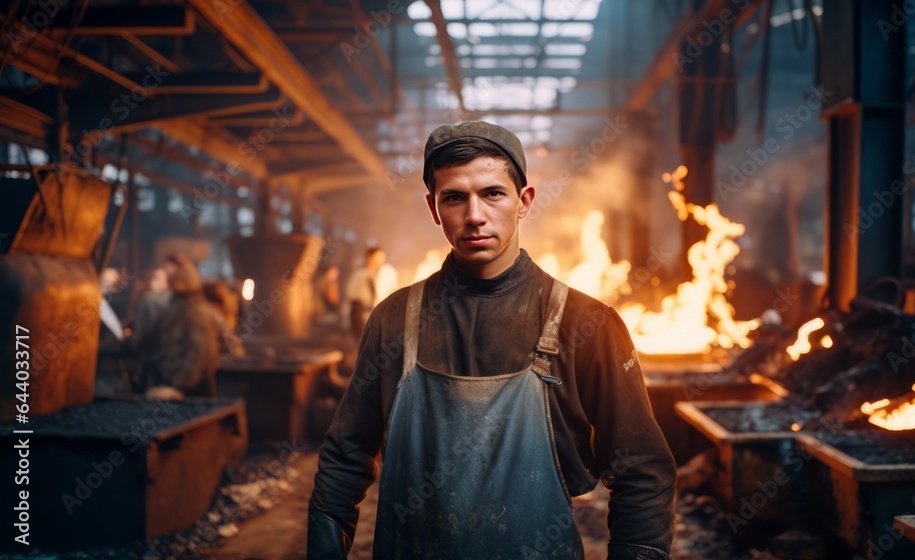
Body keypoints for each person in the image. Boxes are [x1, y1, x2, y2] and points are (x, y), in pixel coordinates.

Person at [308, 122, 676, 559]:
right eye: (454, 197)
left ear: (524, 201)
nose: (475, 215)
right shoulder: (394, 320)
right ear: (433, 207)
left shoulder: (587, 324)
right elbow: (345, 457)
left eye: (493, 193)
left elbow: (642, 471)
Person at [133, 253, 221, 398]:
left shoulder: (196, 312)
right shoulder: (175, 309)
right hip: (173, 384)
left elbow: (200, 356)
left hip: (191, 391)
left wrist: (179, 387)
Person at [345, 247, 386, 340]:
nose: (381, 261)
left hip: (369, 311)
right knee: (362, 340)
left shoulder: (377, 276)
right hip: (359, 311)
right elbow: (352, 296)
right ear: (370, 258)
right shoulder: (360, 275)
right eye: (378, 257)